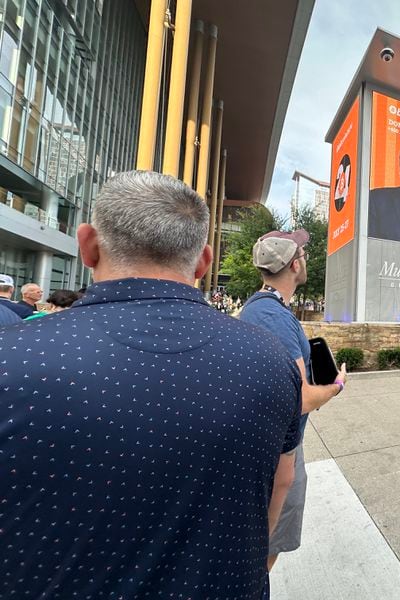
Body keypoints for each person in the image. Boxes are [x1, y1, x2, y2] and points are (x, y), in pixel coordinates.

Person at [0, 171, 302, 598]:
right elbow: (281, 482)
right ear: (203, 261)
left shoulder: (14, 357)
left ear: (86, 245)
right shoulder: (269, 359)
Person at [240, 229, 348, 573]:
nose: (306, 258)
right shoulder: (275, 317)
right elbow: (299, 398)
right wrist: (335, 387)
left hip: (270, 444)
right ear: (294, 264)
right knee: (268, 545)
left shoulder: (262, 309)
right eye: (302, 252)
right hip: (279, 450)